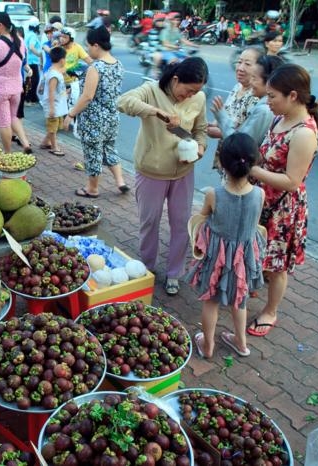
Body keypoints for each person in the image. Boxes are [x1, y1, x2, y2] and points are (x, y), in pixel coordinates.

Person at [117, 57, 208, 295]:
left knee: (181, 224)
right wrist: (157, 113)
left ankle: (174, 273)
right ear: (176, 79)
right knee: (149, 222)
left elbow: (200, 131)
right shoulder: (151, 90)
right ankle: (147, 268)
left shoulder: (199, 98)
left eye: (195, 92)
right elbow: (124, 102)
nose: (190, 96)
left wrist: (200, 148)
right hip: (151, 171)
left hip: (183, 172)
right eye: (187, 91)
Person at [246, 64, 318, 337]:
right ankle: (253, 284)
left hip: (283, 210)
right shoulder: (280, 119)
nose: (268, 101)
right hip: (262, 201)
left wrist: (252, 171)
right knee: (258, 253)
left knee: (277, 267)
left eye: (272, 96)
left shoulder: (303, 133)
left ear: (292, 95)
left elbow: (291, 181)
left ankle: (271, 311)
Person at [188, 133, 266, 358]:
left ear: (223, 162)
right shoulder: (259, 194)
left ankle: (208, 345)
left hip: (217, 257)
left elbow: (202, 218)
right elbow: (254, 226)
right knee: (239, 299)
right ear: (254, 162)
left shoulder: (214, 194)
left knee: (211, 300)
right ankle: (241, 344)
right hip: (243, 258)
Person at [64, 26, 126, 197]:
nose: (87, 50)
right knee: (110, 148)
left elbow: (87, 96)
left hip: (94, 119)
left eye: (88, 46)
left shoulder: (96, 68)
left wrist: (71, 114)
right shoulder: (118, 65)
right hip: (112, 117)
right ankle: (120, 181)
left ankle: (92, 188)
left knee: (93, 152)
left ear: (96, 45)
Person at [0, 12, 32, 153]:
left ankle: (7, 153)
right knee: (13, 117)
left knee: (4, 121)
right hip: (16, 86)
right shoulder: (20, 42)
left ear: (1, 25)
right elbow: (21, 60)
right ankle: (25, 143)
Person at [213, 54, 283, 147]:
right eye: (239, 62)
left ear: (269, 82)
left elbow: (241, 145)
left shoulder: (264, 110)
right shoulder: (263, 103)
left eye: (254, 78)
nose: (251, 82)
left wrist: (222, 117)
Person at [208, 47, 261, 169]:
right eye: (239, 62)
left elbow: (248, 135)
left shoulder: (256, 96)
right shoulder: (237, 87)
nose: (240, 68)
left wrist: (220, 132)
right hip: (227, 152)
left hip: (240, 159)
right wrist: (213, 124)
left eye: (247, 64)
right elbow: (226, 113)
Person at [39, 47, 69, 155]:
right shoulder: (54, 75)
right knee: (53, 127)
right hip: (53, 105)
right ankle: (55, 147)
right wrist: (51, 108)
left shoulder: (54, 72)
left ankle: (45, 143)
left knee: (55, 126)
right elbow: (51, 92)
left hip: (57, 104)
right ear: (61, 60)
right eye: (65, 58)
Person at [59, 28, 92, 108]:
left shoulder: (77, 47)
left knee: (72, 107)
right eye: (61, 36)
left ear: (71, 38)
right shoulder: (59, 48)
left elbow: (90, 62)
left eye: (65, 37)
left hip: (72, 83)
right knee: (60, 107)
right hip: (59, 83)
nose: (61, 39)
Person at [24, 24, 42, 105]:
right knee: (34, 80)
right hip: (32, 61)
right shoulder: (33, 36)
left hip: (28, 60)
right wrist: (38, 54)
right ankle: (29, 98)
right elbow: (31, 47)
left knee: (30, 79)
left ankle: (31, 97)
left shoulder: (28, 34)